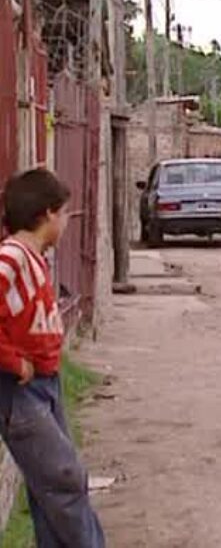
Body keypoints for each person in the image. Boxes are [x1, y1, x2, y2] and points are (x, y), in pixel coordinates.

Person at [0, 169, 106, 547]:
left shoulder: (34, 258)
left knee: (50, 490)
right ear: (47, 214)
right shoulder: (12, 257)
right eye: (64, 214)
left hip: (46, 383)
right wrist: (14, 361)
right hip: (21, 389)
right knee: (64, 479)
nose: (65, 223)